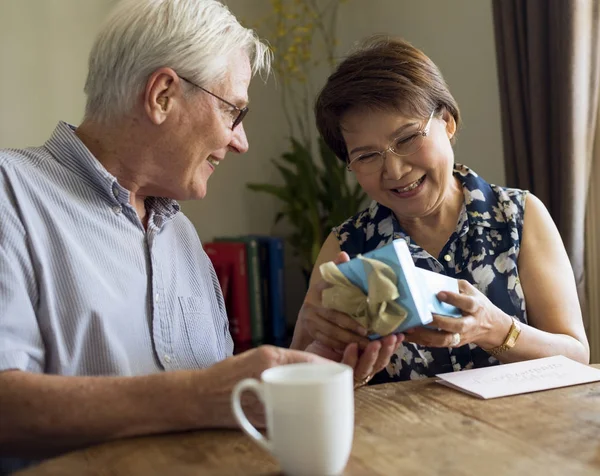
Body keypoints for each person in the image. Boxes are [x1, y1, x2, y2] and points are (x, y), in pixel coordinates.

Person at [0, 1, 400, 472]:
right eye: (234, 111)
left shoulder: (182, 237)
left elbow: (219, 407)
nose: (241, 141)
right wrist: (198, 396)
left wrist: (306, 363)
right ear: (162, 94)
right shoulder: (11, 194)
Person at [290, 35, 589, 385]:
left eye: (406, 138)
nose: (396, 171)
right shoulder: (346, 246)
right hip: (403, 436)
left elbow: (577, 355)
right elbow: (305, 372)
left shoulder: (518, 216)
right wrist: (329, 357)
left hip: (519, 433)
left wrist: (494, 329)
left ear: (447, 122)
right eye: (367, 156)